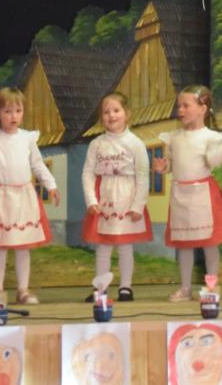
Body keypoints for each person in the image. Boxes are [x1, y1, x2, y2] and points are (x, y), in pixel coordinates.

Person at [0, 87, 60, 304]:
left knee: (23, 245)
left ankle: (23, 290)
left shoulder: (27, 138)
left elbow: (37, 164)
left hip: (24, 196)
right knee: (1, 245)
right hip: (2, 198)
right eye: (7, 112)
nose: (13, 116)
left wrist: (51, 185)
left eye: (18, 111)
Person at [152, 84, 222, 302]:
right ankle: (185, 288)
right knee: (184, 244)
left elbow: (213, 161)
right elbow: (171, 164)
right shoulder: (173, 137)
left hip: (203, 194)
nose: (180, 110)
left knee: (209, 243)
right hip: (180, 194)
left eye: (186, 105)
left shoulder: (211, 137)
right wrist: (163, 167)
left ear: (202, 109)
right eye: (179, 106)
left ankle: (212, 287)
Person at [82, 91, 152, 302]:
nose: (111, 115)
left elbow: (143, 176)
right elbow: (88, 173)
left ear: (127, 113)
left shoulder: (135, 143)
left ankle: (125, 287)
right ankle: (100, 288)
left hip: (127, 199)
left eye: (116, 110)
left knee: (125, 246)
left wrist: (138, 206)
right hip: (105, 198)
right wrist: (91, 200)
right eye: (106, 112)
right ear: (101, 117)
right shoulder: (96, 144)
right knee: (103, 247)